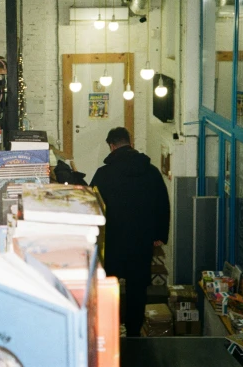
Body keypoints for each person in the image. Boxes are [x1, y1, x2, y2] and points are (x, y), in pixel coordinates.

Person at [90, 127, 170, 337]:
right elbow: (162, 203)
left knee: (109, 285)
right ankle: (134, 331)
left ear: (112, 146)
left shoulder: (104, 174)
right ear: (130, 142)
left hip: (113, 241)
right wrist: (159, 234)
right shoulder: (151, 171)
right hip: (141, 240)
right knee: (137, 287)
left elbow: (92, 206)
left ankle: (110, 329)